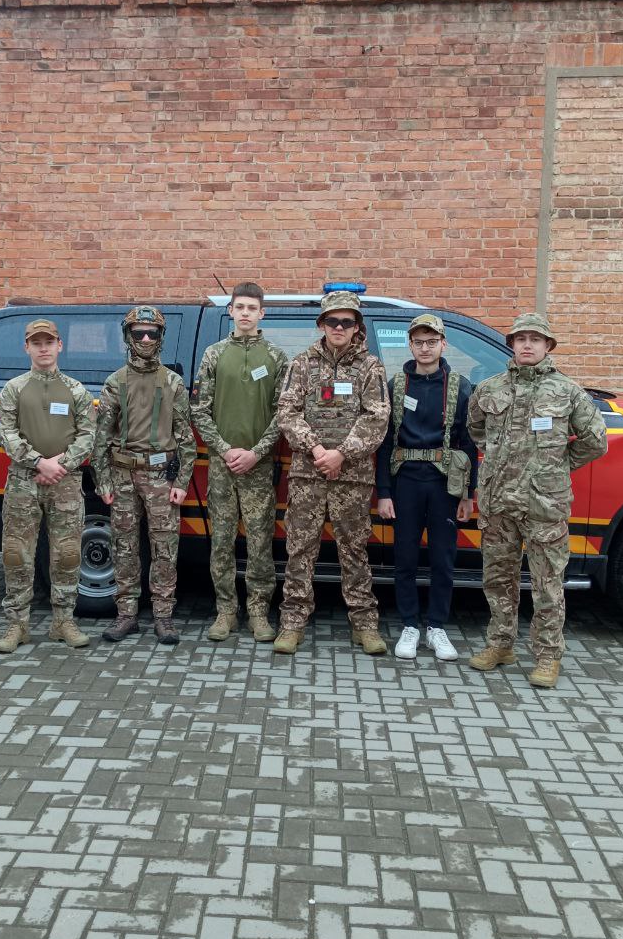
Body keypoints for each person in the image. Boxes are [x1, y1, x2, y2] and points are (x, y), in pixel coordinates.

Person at [467, 312, 607, 688]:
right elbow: (476, 429)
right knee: (498, 577)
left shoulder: (567, 391)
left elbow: (596, 440)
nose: (527, 345)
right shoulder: (490, 389)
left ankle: (547, 656)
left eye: (535, 339)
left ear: (548, 346)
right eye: (520, 339)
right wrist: (501, 458)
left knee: (547, 582)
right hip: (498, 501)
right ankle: (501, 645)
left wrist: (556, 465)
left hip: (544, 503)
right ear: (512, 345)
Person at [274, 289, 390, 655]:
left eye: (347, 321)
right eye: (332, 321)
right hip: (308, 474)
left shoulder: (370, 367)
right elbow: (287, 412)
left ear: (357, 327)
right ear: (321, 324)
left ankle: (364, 624)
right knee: (300, 548)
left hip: (352, 477)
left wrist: (342, 453)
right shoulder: (301, 364)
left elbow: (377, 417)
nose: (339, 327)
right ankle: (292, 623)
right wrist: (317, 449)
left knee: (354, 550)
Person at [376, 313, 478, 662]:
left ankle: (436, 626)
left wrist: (468, 495)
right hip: (405, 482)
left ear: (443, 344)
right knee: (404, 557)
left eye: (431, 342)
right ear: (410, 345)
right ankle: (409, 625)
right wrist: (384, 492)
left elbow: (468, 445)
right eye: (418, 342)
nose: (425, 348)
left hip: (444, 485)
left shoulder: (461, 387)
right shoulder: (396, 385)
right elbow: (385, 443)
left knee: (442, 558)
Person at [91, 306, 196, 645]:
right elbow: (101, 437)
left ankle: (163, 616)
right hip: (122, 476)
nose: (146, 339)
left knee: (164, 547)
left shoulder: (173, 383)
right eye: (139, 333)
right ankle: (126, 615)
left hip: (161, 475)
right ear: (129, 336)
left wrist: (181, 482)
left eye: (153, 333)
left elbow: (185, 438)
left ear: (161, 337)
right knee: (124, 546)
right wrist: (103, 480)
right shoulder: (115, 382)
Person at [192, 282, 288, 643]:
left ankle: (259, 612)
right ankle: (226, 611)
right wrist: (225, 448)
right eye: (240, 307)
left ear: (262, 313)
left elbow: (283, 413)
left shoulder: (276, 357)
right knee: (221, 541)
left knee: (260, 542)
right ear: (230, 311)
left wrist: (255, 452)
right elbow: (199, 409)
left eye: (252, 308)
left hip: (259, 467)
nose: (245, 313)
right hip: (222, 466)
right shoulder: (214, 354)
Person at [0, 319, 97, 652]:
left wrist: (60, 465)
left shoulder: (76, 390)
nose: (43, 348)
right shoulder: (14, 389)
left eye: (49, 342)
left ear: (59, 345)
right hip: (24, 482)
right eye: (36, 343)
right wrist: (39, 462)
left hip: (65, 482)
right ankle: (17, 624)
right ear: (26, 347)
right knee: (16, 554)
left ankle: (63, 621)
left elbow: (88, 435)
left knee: (67, 554)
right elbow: (7, 435)